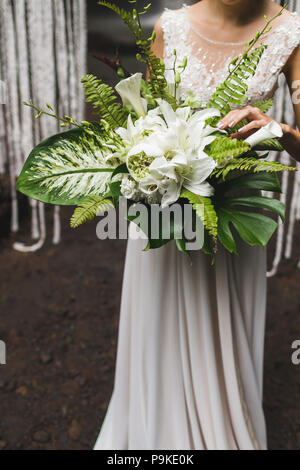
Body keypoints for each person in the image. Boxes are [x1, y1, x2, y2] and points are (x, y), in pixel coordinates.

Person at [94, 0, 300, 450]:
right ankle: (152, 436)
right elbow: (143, 126)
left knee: (222, 334)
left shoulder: (291, 34)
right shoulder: (171, 27)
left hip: (231, 218)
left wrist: (276, 130)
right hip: (163, 214)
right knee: (160, 327)